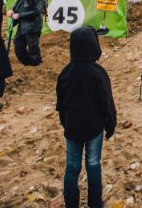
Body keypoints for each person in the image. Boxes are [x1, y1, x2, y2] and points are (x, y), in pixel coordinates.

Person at [56, 27, 117, 208]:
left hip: (72, 127)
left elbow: (61, 103)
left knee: (72, 166)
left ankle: (71, 204)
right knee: (93, 165)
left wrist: (64, 123)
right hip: (94, 128)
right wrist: (110, 124)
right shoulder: (98, 73)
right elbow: (107, 103)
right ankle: (95, 203)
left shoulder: (65, 73)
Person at [8, 0, 46, 66]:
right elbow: (18, 3)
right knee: (18, 46)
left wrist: (19, 15)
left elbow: (37, 11)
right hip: (22, 24)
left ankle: (36, 65)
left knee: (33, 49)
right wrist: (13, 10)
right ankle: (28, 63)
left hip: (33, 26)